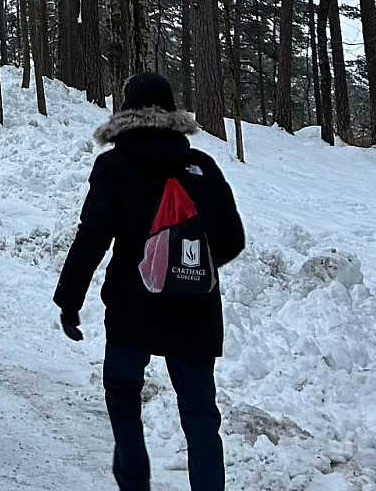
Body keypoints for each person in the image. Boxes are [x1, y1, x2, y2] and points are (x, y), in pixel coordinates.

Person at [54, 72, 245, 491]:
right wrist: (186, 269)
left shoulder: (114, 166)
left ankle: (134, 481)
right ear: (172, 112)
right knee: (199, 415)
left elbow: (92, 237)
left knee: (122, 394)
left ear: (127, 112)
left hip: (131, 307)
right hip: (195, 311)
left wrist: (68, 300)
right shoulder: (204, 167)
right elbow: (233, 240)